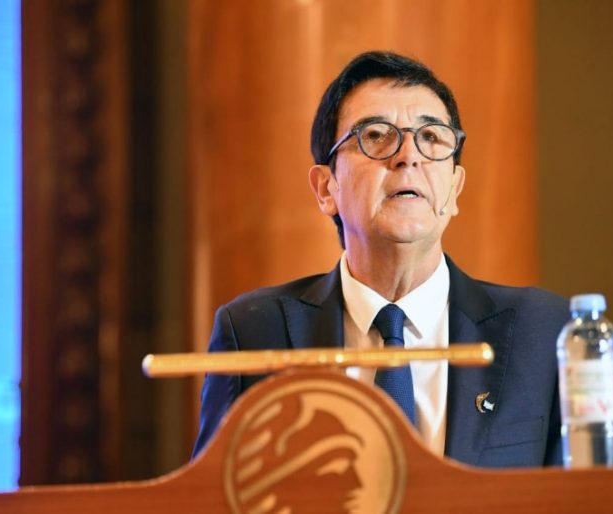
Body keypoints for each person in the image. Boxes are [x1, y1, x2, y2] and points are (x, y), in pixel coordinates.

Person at [192, 51, 568, 468]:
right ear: (326, 188)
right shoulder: (254, 331)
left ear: (455, 189)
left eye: (431, 137)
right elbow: (214, 494)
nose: (408, 155)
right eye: (375, 135)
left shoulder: (545, 333)